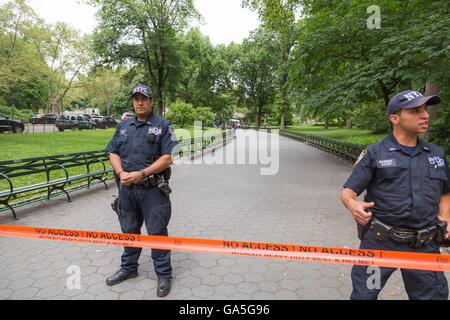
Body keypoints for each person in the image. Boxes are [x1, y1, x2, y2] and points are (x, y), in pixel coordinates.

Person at [341, 89, 450, 300]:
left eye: (425, 110)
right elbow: (348, 192)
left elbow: (446, 192)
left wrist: (446, 217)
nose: (425, 115)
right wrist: (352, 205)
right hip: (380, 244)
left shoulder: (436, 155)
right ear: (395, 118)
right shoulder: (374, 153)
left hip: (424, 246)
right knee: (364, 295)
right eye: (415, 111)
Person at [105, 84, 179, 297]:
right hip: (127, 190)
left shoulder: (163, 125)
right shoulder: (124, 125)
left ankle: (164, 275)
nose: (139, 102)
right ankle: (129, 269)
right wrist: (120, 173)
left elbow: (168, 157)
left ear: (151, 102)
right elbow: (113, 152)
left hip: (153, 191)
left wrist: (142, 173)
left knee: (157, 233)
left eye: (144, 99)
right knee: (129, 231)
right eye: (136, 98)